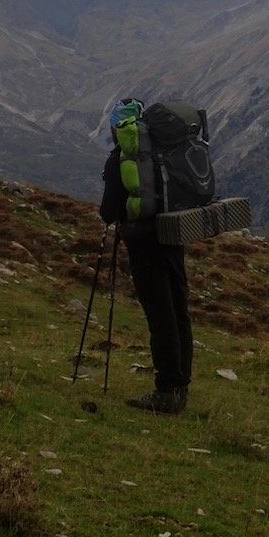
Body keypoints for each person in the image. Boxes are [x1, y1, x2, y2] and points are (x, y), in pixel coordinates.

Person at [99, 97, 192, 414]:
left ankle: (166, 391)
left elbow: (107, 213)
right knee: (179, 310)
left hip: (142, 244)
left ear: (117, 127)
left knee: (160, 316)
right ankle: (181, 386)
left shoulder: (120, 160)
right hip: (173, 236)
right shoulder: (163, 152)